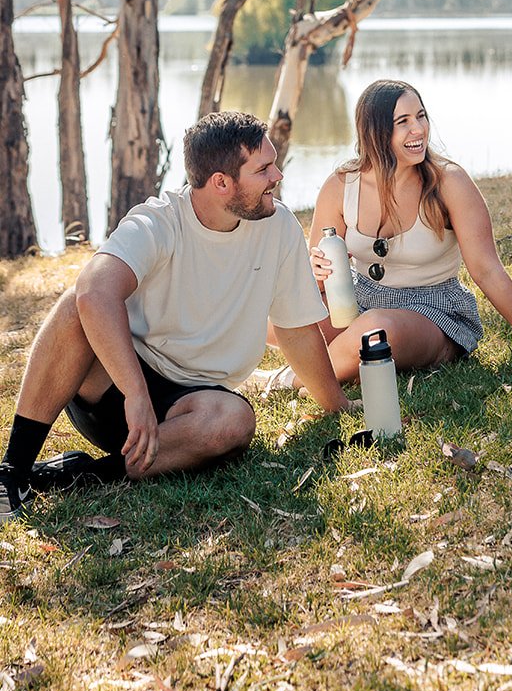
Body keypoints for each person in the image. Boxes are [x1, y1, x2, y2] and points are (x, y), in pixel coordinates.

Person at [0, 111, 357, 521]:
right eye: (263, 168)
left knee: (234, 421)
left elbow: (296, 330)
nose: (278, 175)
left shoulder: (279, 227)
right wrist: (135, 394)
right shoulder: (159, 220)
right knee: (76, 303)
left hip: (188, 410)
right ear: (221, 183)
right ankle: (14, 470)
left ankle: (86, 474)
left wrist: (337, 405)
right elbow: (96, 293)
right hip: (115, 386)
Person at [248, 78, 512, 393]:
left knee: (376, 330)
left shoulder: (450, 183)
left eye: (421, 116)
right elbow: (314, 285)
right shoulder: (341, 186)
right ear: (374, 132)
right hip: (357, 301)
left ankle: (285, 380)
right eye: (402, 122)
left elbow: (486, 269)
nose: (418, 129)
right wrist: (318, 268)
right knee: (275, 320)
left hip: (432, 312)